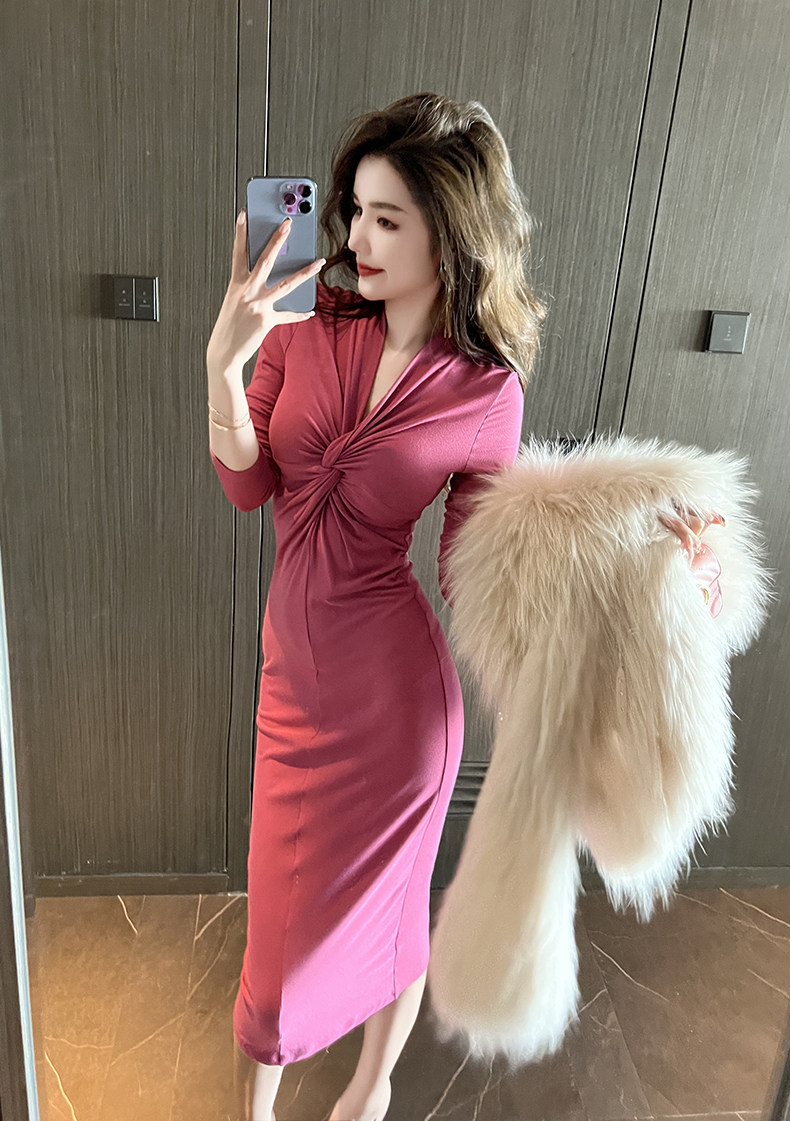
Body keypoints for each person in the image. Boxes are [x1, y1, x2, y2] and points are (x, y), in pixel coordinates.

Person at [205, 93, 708, 1121]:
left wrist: (640, 554)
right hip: (294, 682)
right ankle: (256, 1104)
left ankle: (371, 1085)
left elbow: (488, 564)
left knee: (392, 909)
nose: (356, 237)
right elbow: (249, 484)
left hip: (398, 708)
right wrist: (225, 361)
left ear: (450, 234)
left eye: (387, 219)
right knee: (278, 933)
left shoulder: (485, 390)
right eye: (355, 210)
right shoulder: (305, 327)